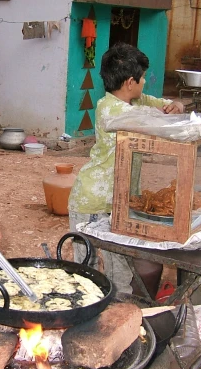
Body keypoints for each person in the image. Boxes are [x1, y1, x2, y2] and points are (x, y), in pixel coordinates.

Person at [67, 42, 184, 294]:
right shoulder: (111, 110)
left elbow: (164, 105)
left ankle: (117, 320)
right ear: (130, 82)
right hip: (92, 203)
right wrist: (169, 115)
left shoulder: (135, 101)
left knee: (118, 272)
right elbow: (152, 121)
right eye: (142, 79)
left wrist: (177, 105)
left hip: (118, 203)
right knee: (87, 274)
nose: (145, 84)